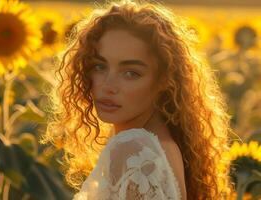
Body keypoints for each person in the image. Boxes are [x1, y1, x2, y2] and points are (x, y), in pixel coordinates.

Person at [41, 0, 235, 199]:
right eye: (99, 66)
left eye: (131, 73)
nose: (108, 85)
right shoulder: (163, 143)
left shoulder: (133, 148)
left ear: (164, 80)